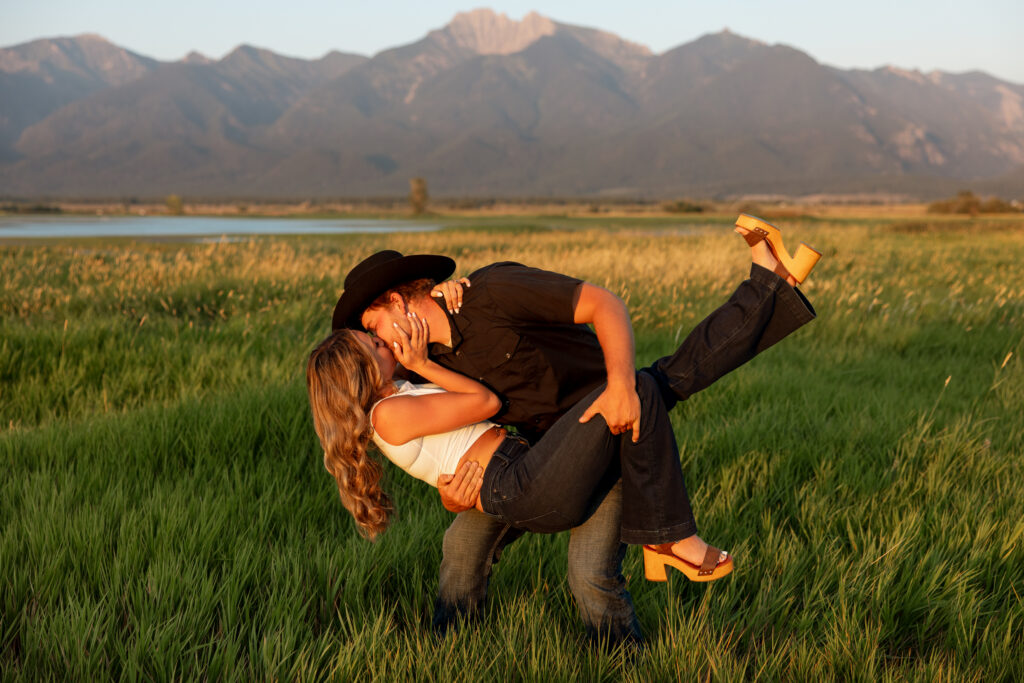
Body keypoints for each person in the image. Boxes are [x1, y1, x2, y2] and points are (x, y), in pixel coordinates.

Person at [315, 214, 818, 646]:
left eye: (372, 327)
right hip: (531, 463)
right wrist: (451, 493)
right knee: (461, 548)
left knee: (591, 568)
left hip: (598, 431)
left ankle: (622, 654)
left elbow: (605, 304)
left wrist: (619, 384)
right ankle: (450, 644)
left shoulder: (490, 294)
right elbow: (447, 441)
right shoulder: (421, 366)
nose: (374, 341)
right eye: (369, 339)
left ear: (400, 302)